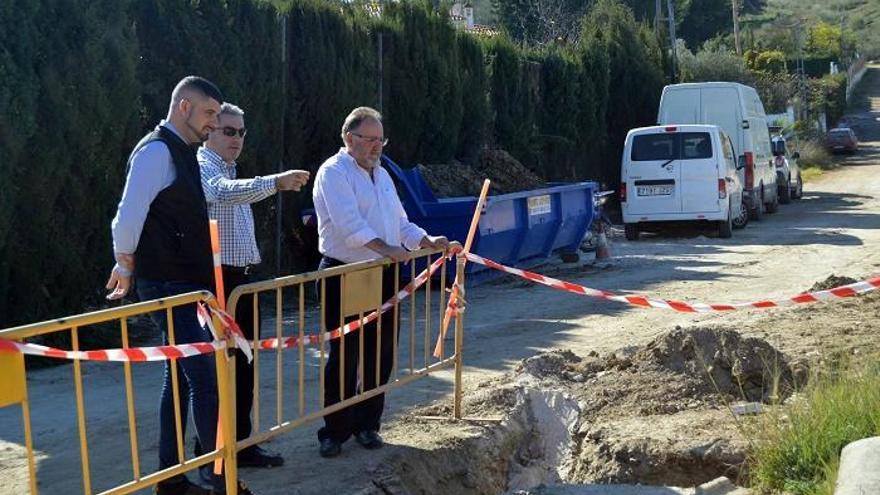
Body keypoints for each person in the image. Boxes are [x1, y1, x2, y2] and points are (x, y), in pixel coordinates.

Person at [106, 76, 254, 495]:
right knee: (204, 378)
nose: (213, 123)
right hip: (168, 283)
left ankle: (171, 482)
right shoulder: (156, 152)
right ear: (184, 107)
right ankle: (223, 479)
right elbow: (128, 214)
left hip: (184, 284)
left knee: (181, 377)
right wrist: (124, 264)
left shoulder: (181, 152)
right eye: (209, 113)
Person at [312, 106, 449, 458]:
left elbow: (400, 222)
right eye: (370, 139)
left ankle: (368, 424)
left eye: (380, 140)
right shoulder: (333, 172)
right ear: (349, 139)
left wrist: (425, 241)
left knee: (381, 350)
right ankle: (335, 431)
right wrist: (388, 249)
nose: (377, 147)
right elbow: (350, 226)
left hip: (384, 271)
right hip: (346, 271)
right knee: (345, 354)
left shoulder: (383, 175)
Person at [195, 102, 310, 467]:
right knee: (219, 369)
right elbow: (220, 193)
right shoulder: (204, 166)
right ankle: (214, 449)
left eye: (241, 132)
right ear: (209, 130)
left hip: (242, 281)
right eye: (229, 131)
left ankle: (241, 444)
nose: (237, 139)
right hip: (218, 282)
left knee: (244, 362)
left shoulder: (229, 168)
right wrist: (273, 183)